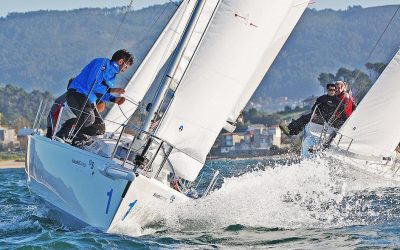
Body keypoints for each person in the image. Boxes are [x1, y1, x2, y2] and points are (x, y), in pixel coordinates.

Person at [56, 49, 133, 144]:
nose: (124, 70)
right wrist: (112, 90)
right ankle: (63, 134)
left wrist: (114, 99)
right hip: (77, 93)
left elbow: (100, 95)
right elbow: (92, 84)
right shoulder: (102, 63)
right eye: (125, 67)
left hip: (89, 100)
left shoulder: (112, 76)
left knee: (100, 127)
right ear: (120, 61)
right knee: (88, 116)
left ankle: (76, 139)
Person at [279, 83, 345, 136]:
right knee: (304, 118)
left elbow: (342, 110)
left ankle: (291, 131)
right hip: (318, 116)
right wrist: (314, 113)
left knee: (305, 118)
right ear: (327, 90)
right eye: (331, 90)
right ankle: (290, 130)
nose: (333, 91)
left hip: (328, 119)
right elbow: (314, 107)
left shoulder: (337, 101)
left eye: (334, 90)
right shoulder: (322, 98)